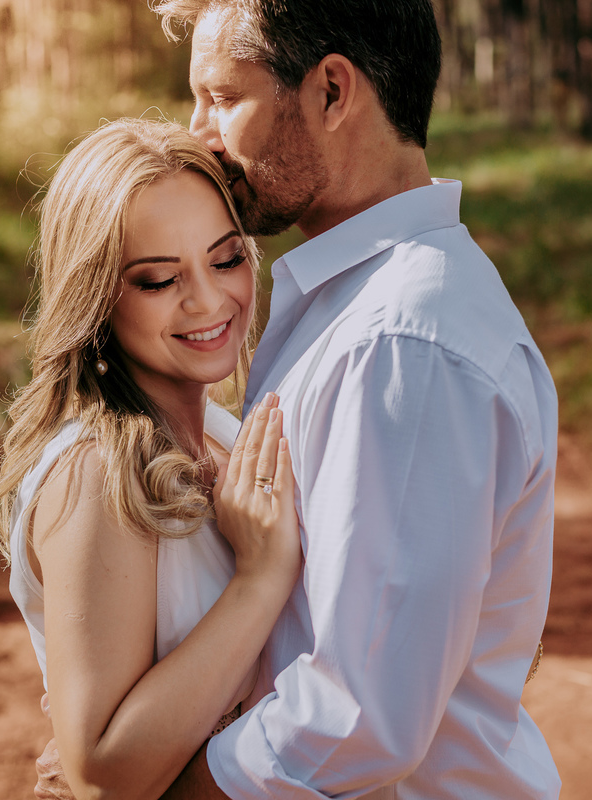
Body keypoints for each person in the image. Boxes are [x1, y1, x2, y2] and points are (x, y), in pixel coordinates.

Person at [40, 0, 562, 796]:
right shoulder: (358, 309)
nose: (200, 131)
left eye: (222, 97)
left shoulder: (401, 344)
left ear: (330, 92)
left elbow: (356, 716)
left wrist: (166, 792)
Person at [0, 117, 304, 800]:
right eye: (158, 279)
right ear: (96, 297)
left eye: (226, 260)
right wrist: (260, 578)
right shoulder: (97, 474)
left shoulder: (223, 435)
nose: (208, 300)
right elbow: (103, 777)